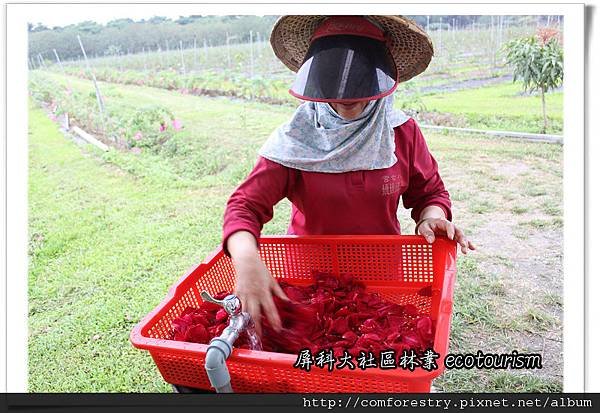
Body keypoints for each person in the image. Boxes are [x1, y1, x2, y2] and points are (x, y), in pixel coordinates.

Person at [222, 15, 476, 336]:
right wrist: (245, 259)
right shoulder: (298, 138)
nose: (345, 97)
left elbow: (429, 193)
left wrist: (431, 216)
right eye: (332, 78)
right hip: (310, 278)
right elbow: (244, 206)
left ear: (379, 73)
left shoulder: (401, 132)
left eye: (359, 79)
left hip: (383, 276)